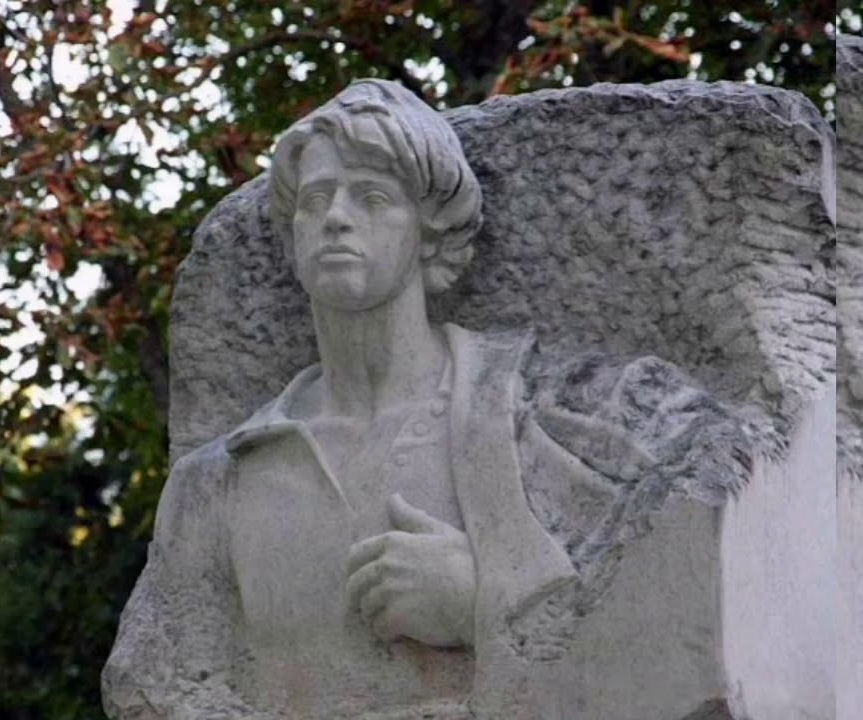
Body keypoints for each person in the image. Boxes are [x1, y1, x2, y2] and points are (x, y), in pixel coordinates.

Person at [103, 79, 749, 720]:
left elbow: (699, 621)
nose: (336, 217)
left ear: (430, 232)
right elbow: (159, 693)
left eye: (373, 197)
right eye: (316, 198)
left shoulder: (570, 415)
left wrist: (483, 602)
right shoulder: (215, 483)